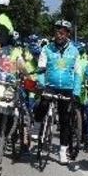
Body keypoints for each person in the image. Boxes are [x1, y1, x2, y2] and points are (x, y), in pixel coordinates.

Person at [32, 20, 79, 167]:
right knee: (43, 103)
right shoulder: (47, 49)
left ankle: (63, 152)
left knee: (65, 120)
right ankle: (37, 125)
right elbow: (41, 69)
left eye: (62, 32)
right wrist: (41, 83)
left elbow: (77, 73)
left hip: (67, 87)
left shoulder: (75, 51)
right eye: (57, 32)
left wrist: (76, 91)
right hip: (50, 85)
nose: (59, 35)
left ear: (68, 34)